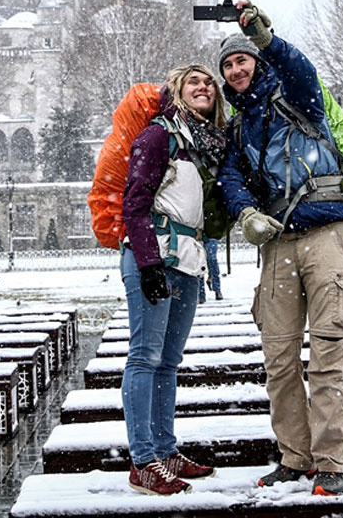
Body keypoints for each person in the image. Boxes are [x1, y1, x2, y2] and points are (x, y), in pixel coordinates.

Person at [216, 0, 343, 497]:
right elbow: (230, 177)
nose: (236, 70)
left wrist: (263, 36)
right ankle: (294, 457)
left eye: (242, 60)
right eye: (228, 65)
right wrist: (244, 211)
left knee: (327, 353)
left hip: (325, 234)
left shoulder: (296, 97)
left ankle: (331, 460)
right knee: (278, 357)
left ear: (256, 61)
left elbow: (302, 67)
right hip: (277, 240)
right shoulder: (239, 127)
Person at [120, 63, 228, 495]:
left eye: (209, 83)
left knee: (168, 362)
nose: (204, 87)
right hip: (156, 256)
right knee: (144, 357)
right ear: (178, 92)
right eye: (194, 82)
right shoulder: (157, 136)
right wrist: (147, 265)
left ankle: (165, 450)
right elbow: (135, 203)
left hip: (188, 260)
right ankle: (142, 460)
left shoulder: (206, 145)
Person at [198, 237, 223, 302]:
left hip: (211, 235)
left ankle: (217, 290)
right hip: (198, 234)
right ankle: (201, 293)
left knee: (212, 260)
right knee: (200, 262)